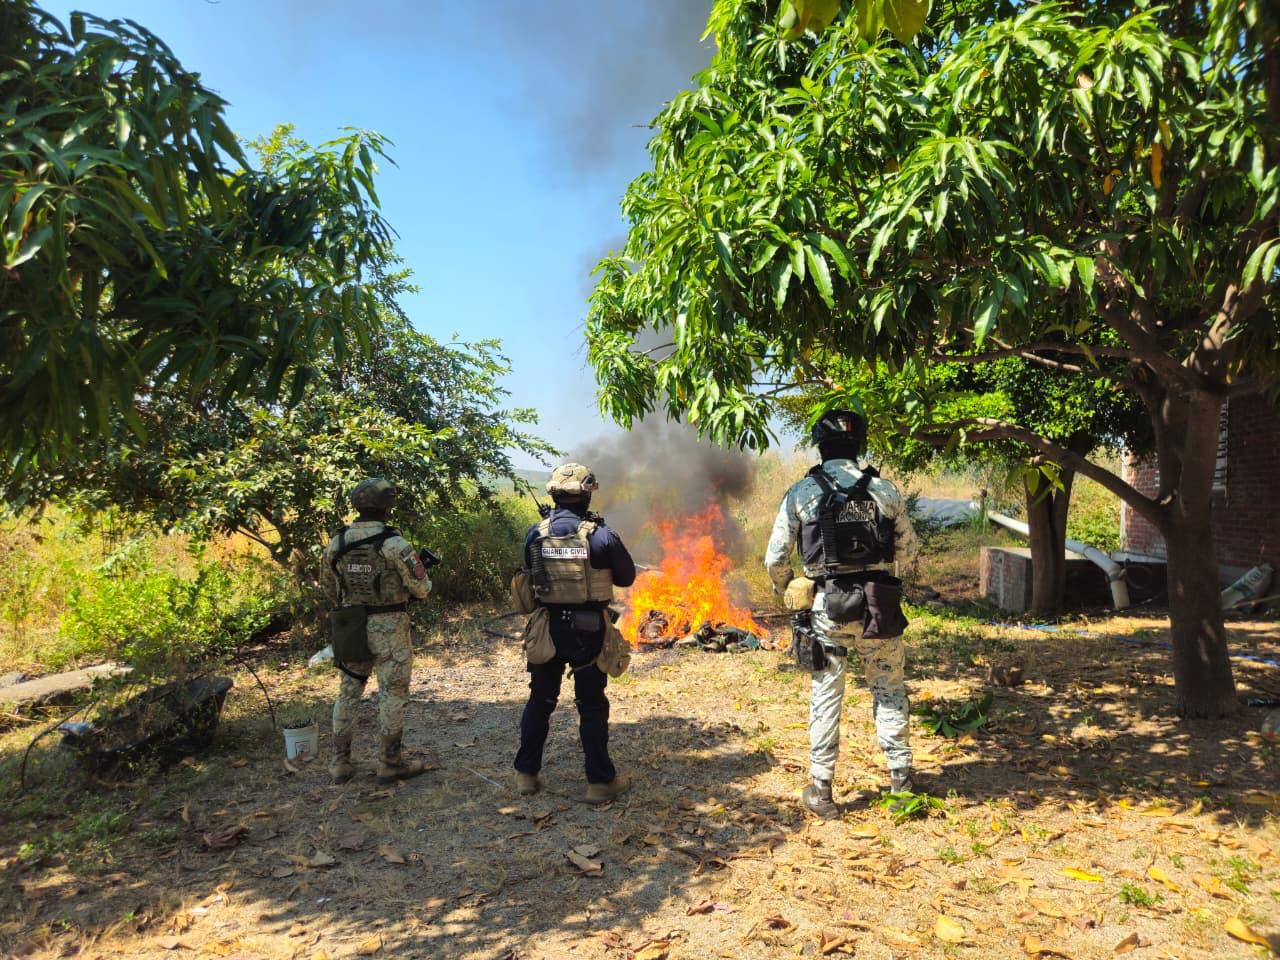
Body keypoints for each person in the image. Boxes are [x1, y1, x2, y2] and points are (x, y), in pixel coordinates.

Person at [764, 411, 920, 819]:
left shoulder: (802, 493)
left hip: (827, 608)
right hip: (879, 608)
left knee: (826, 693)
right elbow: (908, 551)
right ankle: (901, 783)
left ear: (819, 446)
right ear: (860, 445)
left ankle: (822, 790)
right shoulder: (885, 491)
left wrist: (789, 590)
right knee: (889, 689)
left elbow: (776, 559)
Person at [514, 462, 636, 804]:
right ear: (586, 494)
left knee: (540, 700)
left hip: (547, 628)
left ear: (554, 494)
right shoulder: (600, 535)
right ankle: (599, 783)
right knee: (592, 704)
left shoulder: (535, 533)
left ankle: (526, 774)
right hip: (588, 631)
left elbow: (529, 575)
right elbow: (626, 578)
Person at [321, 478, 433, 784]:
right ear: (387, 505)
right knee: (393, 693)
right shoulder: (395, 545)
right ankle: (389, 763)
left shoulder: (338, 542)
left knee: (348, 690)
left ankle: (340, 763)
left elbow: (329, 588)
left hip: (352, 627)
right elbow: (421, 589)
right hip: (390, 628)